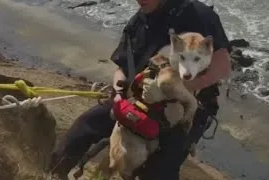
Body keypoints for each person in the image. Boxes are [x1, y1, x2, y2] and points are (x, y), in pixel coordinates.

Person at [48, 0, 232, 179]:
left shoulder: (199, 15)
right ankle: (53, 174)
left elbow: (223, 65)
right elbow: (121, 69)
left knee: (161, 167)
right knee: (86, 125)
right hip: (139, 99)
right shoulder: (137, 23)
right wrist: (119, 95)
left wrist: (176, 90)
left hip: (188, 108)